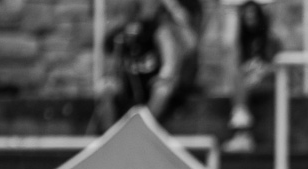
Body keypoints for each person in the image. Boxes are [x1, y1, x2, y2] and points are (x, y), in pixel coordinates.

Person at [92, 0, 199, 132]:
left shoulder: (155, 29)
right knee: (104, 88)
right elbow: (108, 64)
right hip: (127, 90)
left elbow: (170, 59)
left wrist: (165, 74)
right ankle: (109, 136)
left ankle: (143, 130)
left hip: (152, 87)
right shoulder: (118, 35)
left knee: (162, 90)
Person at [223, 0, 278, 153]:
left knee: (242, 83)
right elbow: (229, 46)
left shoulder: (270, 38)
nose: (250, 17)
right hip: (247, 81)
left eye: (253, 13)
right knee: (240, 79)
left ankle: (241, 127)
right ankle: (242, 129)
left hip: (266, 79)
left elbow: (276, 64)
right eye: (246, 14)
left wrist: (261, 70)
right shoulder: (242, 42)